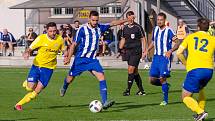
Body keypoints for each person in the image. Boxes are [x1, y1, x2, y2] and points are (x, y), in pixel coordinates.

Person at [59, 10, 127, 110]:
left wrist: (126, 20)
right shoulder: (82, 29)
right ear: (89, 19)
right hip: (81, 59)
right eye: (93, 20)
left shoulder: (100, 27)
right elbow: (74, 44)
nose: (95, 22)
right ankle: (64, 86)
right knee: (70, 77)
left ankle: (104, 102)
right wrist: (69, 57)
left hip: (92, 59)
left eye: (96, 20)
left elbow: (112, 23)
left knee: (101, 76)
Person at [14, 22, 66, 111]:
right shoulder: (41, 38)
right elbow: (30, 48)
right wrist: (27, 53)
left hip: (49, 69)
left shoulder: (60, 39)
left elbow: (64, 49)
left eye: (54, 31)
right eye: (50, 31)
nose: (53, 33)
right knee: (29, 88)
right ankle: (27, 82)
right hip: (37, 66)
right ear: (46, 30)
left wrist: (66, 56)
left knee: (37, 91)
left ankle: (19, 104)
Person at [176, 18, 215, 121]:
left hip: (195, 70)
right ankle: (200, 116)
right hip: (209, 70)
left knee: (185, 97)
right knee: (201, 88)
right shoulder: (213, 39)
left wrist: (186, 64)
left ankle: (200, 112)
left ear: (198, 27)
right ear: (208, 28)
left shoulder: (190, 37)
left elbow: (178, 53)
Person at [143, 12, 180, 105]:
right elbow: (153, 42)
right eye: (158, 20)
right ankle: (166, 86)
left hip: (165, 58)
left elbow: (178, 42)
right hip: (156, 57)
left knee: (162, 77)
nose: (159, 21)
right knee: (151, 80)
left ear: (164, 20)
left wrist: (170, 51)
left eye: (161, 20)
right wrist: (147, 50)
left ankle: (165, 100)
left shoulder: (169, 30)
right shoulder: (155, 29)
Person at [119, 11, 147, 96]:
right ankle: (141, 90)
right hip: (128, 51)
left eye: (132, 18)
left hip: (136, 51)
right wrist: (120, 49)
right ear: (127, 18)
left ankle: (127, 90)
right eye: (130, 18)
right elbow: (123, 39)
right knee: (134, 71)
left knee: (130, 69)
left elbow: (143, 39)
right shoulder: (125, 28)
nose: (131, 20)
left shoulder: (138, 27)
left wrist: (144, 51)